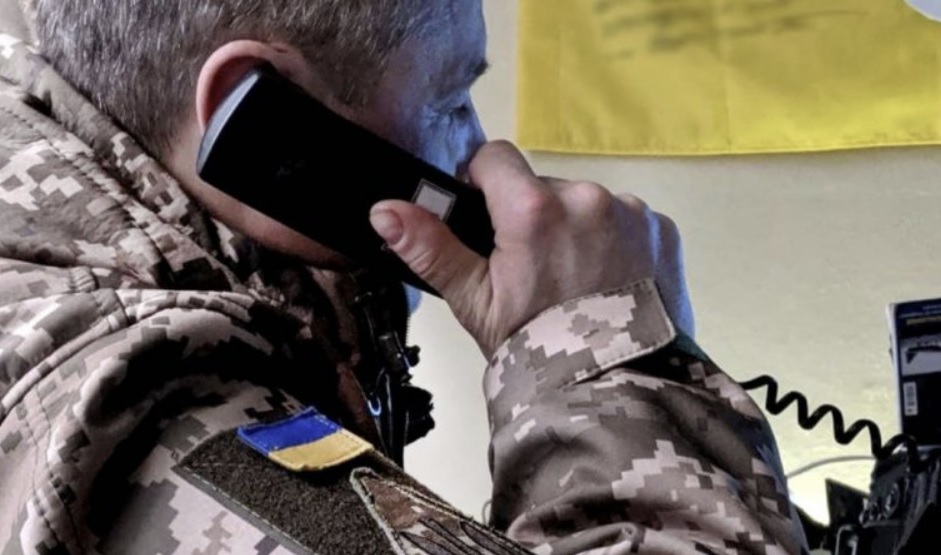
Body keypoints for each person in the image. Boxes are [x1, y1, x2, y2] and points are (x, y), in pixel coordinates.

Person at [0, 0, 807, 553]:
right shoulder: (142, 418)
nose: (477, 150)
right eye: (451, 101)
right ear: (264, 117)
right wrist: (602, 354)